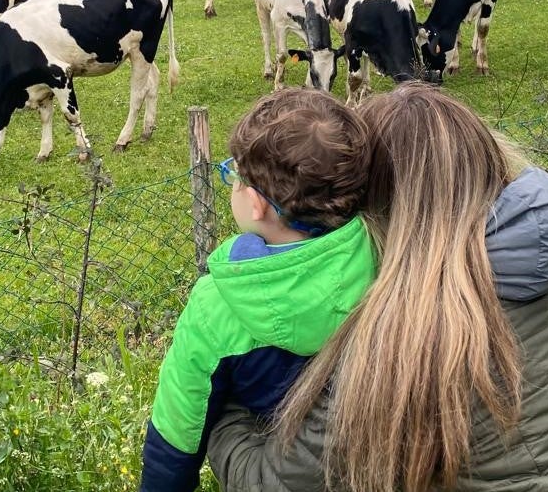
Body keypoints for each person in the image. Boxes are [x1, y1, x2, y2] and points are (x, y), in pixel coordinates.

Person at [207, 82, 548, 492]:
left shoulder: (398, 338)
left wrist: (222, 403)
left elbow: (270, 482)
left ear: (370, 205)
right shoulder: (528, 274)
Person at [139, 89, 376, 492]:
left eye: (232, 173)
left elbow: (178, 427)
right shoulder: (390, 258)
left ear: (256, 204)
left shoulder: (218, 304)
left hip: (276, 464)